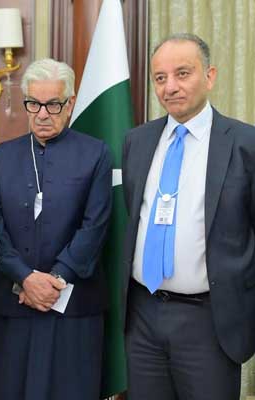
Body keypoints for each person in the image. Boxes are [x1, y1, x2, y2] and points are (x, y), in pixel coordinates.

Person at [122, 33, 255, 399]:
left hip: (209, 321)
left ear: (209, 76)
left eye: (183, 73)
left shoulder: (245, 144)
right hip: (143, 316)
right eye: (160, 78)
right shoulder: (137, 141)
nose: (170, 87)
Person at [0, 58, 112, 399]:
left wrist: (54, 280)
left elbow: (95, 225)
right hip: (13, 303)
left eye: (53, 104)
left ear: (69, 104)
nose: (42, 113)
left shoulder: (96, 153)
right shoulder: (1, 157)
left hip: (73, 306)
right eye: (34, 103)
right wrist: (24, 277)